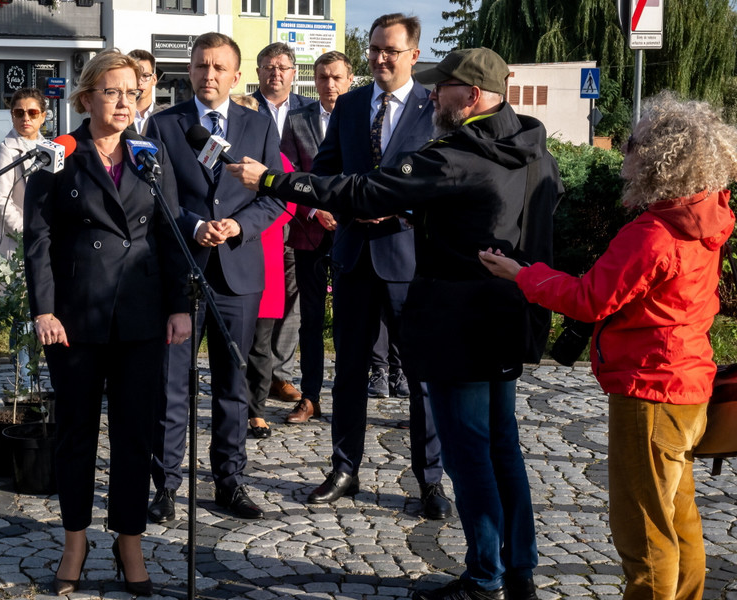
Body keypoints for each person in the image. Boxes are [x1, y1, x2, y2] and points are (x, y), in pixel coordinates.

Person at [226, 46, 559, 600]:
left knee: (470, 454)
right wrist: (419, 210)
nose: (433, 95)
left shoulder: (459, 153)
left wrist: (272, 181)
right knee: (504, 447)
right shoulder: (529, 145)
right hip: (509, 319)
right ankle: (517, 569)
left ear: (472, 96)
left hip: (461, 326)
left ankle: (484, 578)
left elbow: (363, 188)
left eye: (444, 87)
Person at [480, 92, 737, 600]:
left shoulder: (654, 234)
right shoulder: (702, 219)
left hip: (650, 394)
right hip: (687, 384)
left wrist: (522, 274)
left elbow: (588, 299)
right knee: (677, 517)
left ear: (662, 157)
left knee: (644, 532)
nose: (624, 153)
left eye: (634, 145)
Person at [24, 50, 190, 598]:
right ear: (87, 96)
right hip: (76, 318)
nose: (125, 102)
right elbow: (39, 238)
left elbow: (167, 233)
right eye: (113, 91)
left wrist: (180, 305)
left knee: (134, 435)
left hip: (140, 316)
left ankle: (129, 541)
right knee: (75, 435)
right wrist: (44, 309)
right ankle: (75, 540)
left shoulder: (149, 154)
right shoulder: (57, 153)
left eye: (133, 93)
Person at [283, 14, 450, 524]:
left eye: (391, 51)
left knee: (421, 376)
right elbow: (327, 168)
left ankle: (430, 480)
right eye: (375, 49)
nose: (381, 58)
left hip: (408, 258)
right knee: (349, 370)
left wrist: (400, 208)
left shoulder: (434, 107)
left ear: (413, 57)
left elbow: (445, 181)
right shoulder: (353, 105)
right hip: (353, 254)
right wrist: (332, 200)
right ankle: (344, 468)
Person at [146, 32, 283, 523]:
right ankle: (165, 486)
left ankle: (231, 482)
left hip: (238, 274)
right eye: (201, 66)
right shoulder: (164, 124)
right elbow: (155, 197)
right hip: (183, 271)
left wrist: (239, 226)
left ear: (236, 74)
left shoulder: (259, 125)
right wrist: (196, 225)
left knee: (233, 385)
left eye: (219, 68)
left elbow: (275, 196)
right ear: (191, 69)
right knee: (172, 385)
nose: (209, 75)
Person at [279, 50, 351, 423]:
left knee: (349, 319)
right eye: (323, 77)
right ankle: (309, 396)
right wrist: (313, 209)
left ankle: (346, 396)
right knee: (309, 319)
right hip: (309, 234)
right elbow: (289, 178)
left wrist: (344, 211)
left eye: (337, 77)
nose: (330, 84)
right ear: (314, 80)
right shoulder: (296, 120)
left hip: (351, 234)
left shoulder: (361, 115)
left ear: (349, 79)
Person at [252, 43, 316, 404]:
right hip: (256, 218)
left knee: (291, 296)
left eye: (282, 67)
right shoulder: (243, 108)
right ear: (258, 71)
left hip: (299, 217)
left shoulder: (309, 110)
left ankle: (280, 374)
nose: (275, 73)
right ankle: (251, 371)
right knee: (253, 294)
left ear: (294, 73)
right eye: (268, 66)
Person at [231, 94, 296, 439]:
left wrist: (254, 220)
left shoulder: (277, 160)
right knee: (229, 344)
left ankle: (256, 410)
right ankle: (231, 404)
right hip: (229, 254)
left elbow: (290, 206)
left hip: (265, 256)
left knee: (259, 344)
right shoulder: (224, 156)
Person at [0, 87, 47, 258]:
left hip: (49, 240)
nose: (26, 118)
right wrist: (26, 232)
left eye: (33, 112)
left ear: (43, 116)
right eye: (19, 113)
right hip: (17, 244)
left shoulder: (52, 149)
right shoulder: (4, 151)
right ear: (12, 116)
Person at [127, 49, 167, 135]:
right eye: (135, 75)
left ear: (154, 79)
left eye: (145, 76)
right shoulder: (118, 116)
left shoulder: (166, 116)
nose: (139, 82)